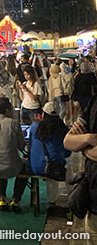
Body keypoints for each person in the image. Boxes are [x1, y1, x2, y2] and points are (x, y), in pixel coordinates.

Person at [63, 96, 97, 237]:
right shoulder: (94, 101)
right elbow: (68, 141)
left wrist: (84, 149)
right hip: (93, 200)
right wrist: (88, 138)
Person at [28, 102, 70, 207]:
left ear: (43, 114)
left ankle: (50, 201)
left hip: (35, 167)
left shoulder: (34, 127)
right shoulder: (61, 130)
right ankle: (55, 201)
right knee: (66, 169)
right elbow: (67, 153)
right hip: (52, 169)